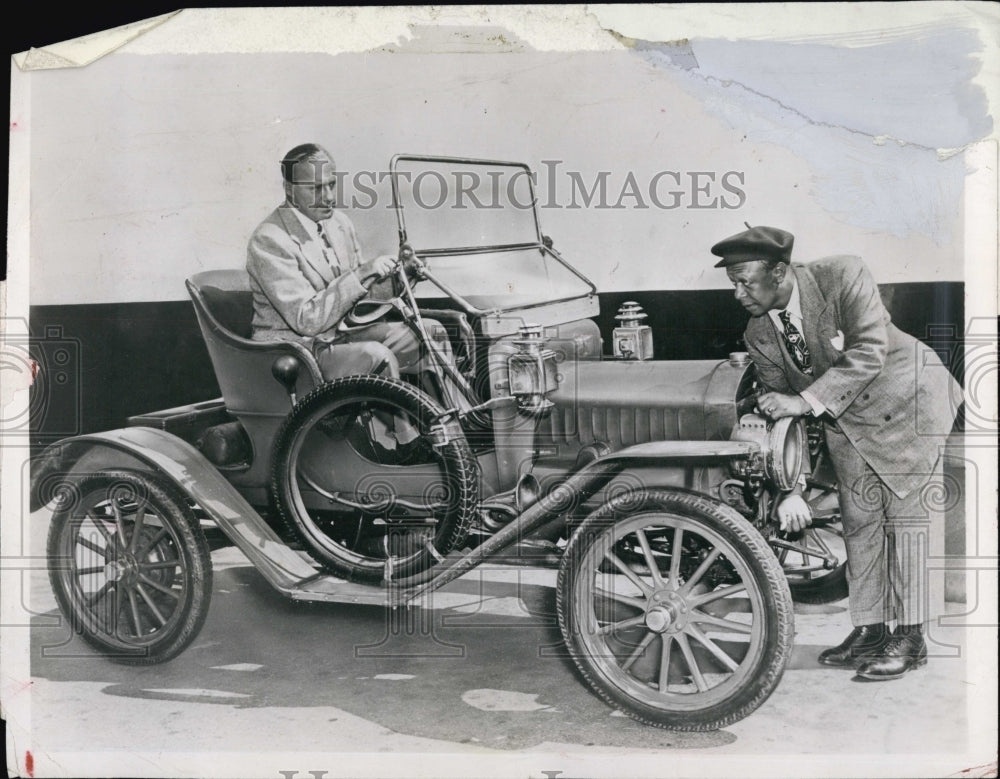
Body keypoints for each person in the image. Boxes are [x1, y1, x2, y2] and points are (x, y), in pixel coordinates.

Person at [712, 225, 960, 681]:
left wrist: (804, 401)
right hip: (842, 418)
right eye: (733, 283)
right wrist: (791, 488)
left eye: (745, 281)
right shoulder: (759, 333)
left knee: (906, 522)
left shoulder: (843, 275)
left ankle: (911, 637)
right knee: (859, 524)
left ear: (779, 272)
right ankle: (869, 629)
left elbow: (868, 350)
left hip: (906, 403)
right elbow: (783, 416)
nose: (737, 294)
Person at [247, 143, 466, 446]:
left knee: (431, 333)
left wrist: (403, 277)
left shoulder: (339, 224)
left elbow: (361, 302)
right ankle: (406, 445)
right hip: (300, 354)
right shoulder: (269, 240)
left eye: (331, 184)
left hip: (342, 335)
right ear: (289, 189)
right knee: (377, 357)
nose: (328, 196)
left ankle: (463, 424)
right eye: (315, 188)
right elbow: (306, 320)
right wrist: (361, 273)